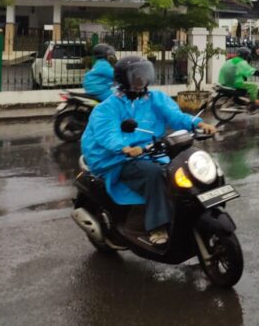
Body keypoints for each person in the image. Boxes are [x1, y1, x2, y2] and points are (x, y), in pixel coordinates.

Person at [81, 56, 217, 245]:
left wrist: (198, 123)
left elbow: (175, 116)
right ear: (124, 79)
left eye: (144, 75)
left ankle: (187, 215)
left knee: (183, 167)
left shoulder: (155, 98)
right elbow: (108, 133)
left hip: (149, 151)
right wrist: (125, 148)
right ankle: (157, 227)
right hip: (116, 159)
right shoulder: (108, 107)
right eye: (137, 76)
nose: (142, 80)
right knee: (154, 174)